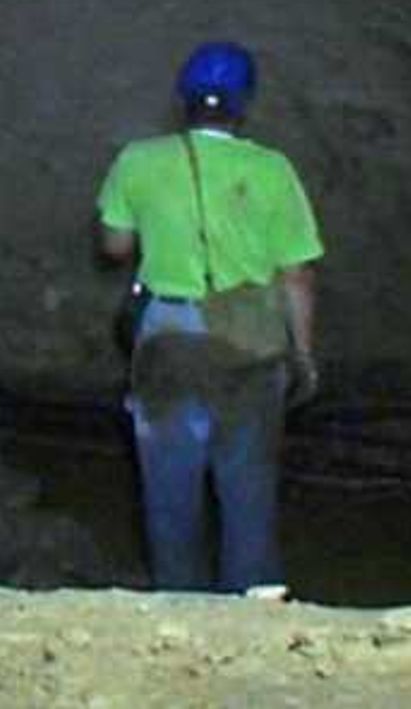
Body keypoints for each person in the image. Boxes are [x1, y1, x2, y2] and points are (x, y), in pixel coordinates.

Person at [94, 38, 324, 595]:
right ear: (244, 104)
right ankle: (250, 612)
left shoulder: (138, 160)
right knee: (248, 491)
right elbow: (296, 275)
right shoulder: (272, 170)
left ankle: (179, 608)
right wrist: (304, 354)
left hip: (168, 336)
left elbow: (114, 246)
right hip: (249, 339)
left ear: (183, 99)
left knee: (169, 495)